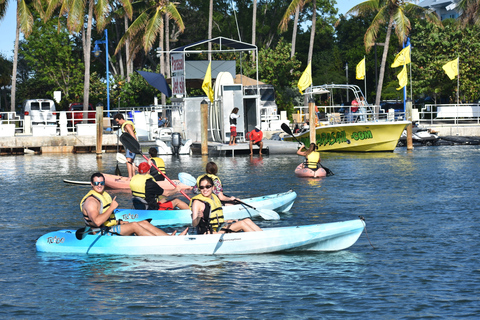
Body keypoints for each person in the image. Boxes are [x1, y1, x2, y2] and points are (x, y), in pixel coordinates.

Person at [81, 172, 187, 236]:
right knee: (135, 225)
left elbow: (108, 220)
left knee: (144, 223)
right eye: (96, 183)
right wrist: (112, 208)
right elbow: (97, 222)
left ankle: (169, 238)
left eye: (102, 183)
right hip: (101, 233)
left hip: (110, 227)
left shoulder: (103, 195)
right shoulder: (91, 202)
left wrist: (120, 221)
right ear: (91, 184)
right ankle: (164, 242)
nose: (99, 185)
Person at [190, 175, 262, 234]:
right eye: (202, 187)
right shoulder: (197, 202)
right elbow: (194, 224)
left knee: (247, 220)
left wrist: (228, 221)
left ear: (213, 187)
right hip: (207, 233)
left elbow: (215, 219)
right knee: (241, 224)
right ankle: (259, 241)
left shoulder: (214, 198)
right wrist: (198, 217)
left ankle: (263, 236)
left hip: (217, 229)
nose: (205, 189)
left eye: (207, 186)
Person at [114, 113, 137, 179]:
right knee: (131, 162)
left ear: (121, 119)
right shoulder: (125, 125)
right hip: (130, 145)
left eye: (118, 121)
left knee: (128, 161)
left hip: (132, 145)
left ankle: (130, 177)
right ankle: (133, 177)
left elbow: (133, 136)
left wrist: (132, 147)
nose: (118, 123)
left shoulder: (127, 125)